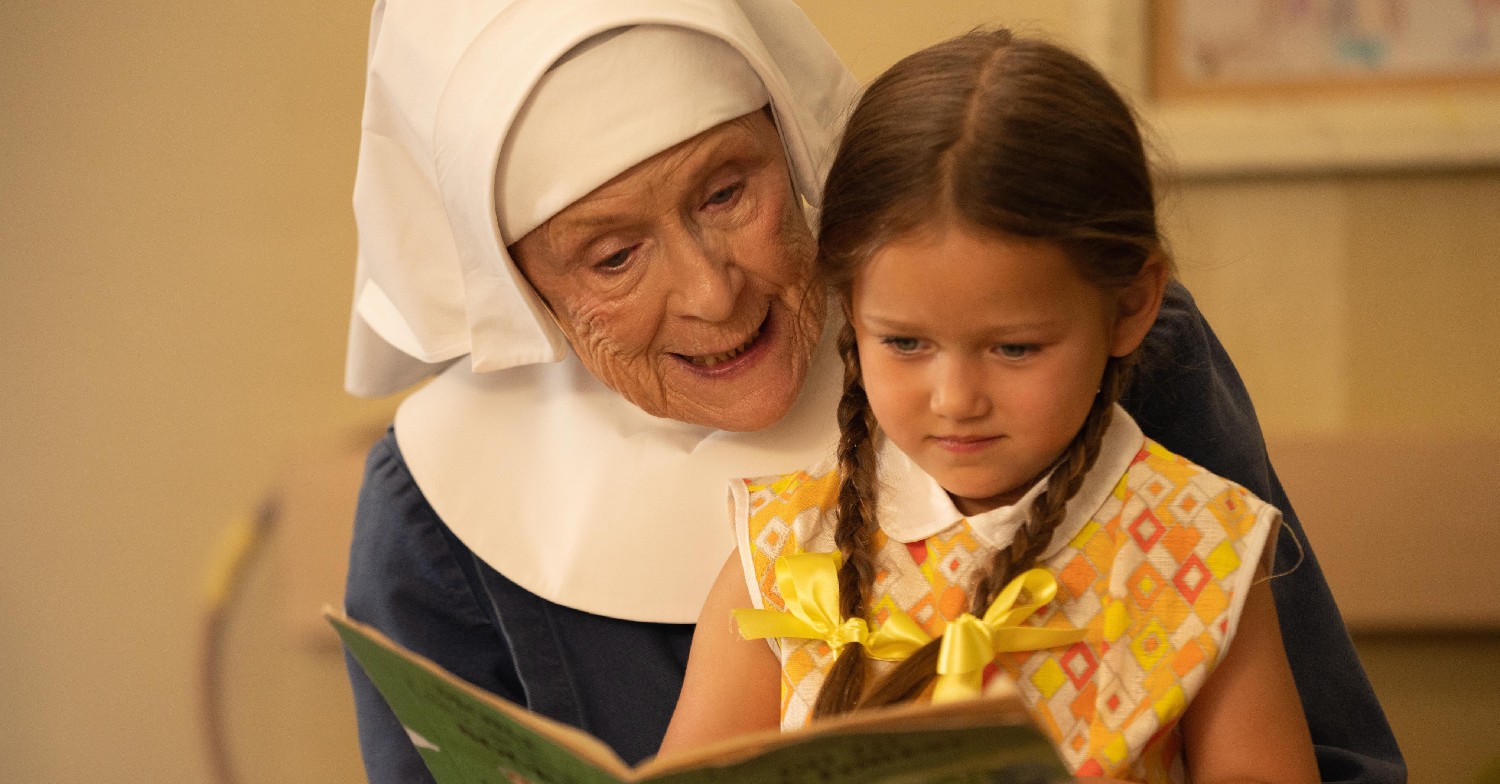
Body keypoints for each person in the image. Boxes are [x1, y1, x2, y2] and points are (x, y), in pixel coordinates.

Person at [339, 2, 1403, 783]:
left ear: (790, 144)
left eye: (728, 190)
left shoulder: (1112, 360)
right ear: (518, 288)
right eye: (612, 256)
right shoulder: (437, 508)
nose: (714, 290)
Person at [658, 29, 1320, 783]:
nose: (955, 400)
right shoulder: (781, 549)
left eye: (1014, 350)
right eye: (905, 343)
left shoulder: (1201, 548)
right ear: (851, 308)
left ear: (1131, 305)